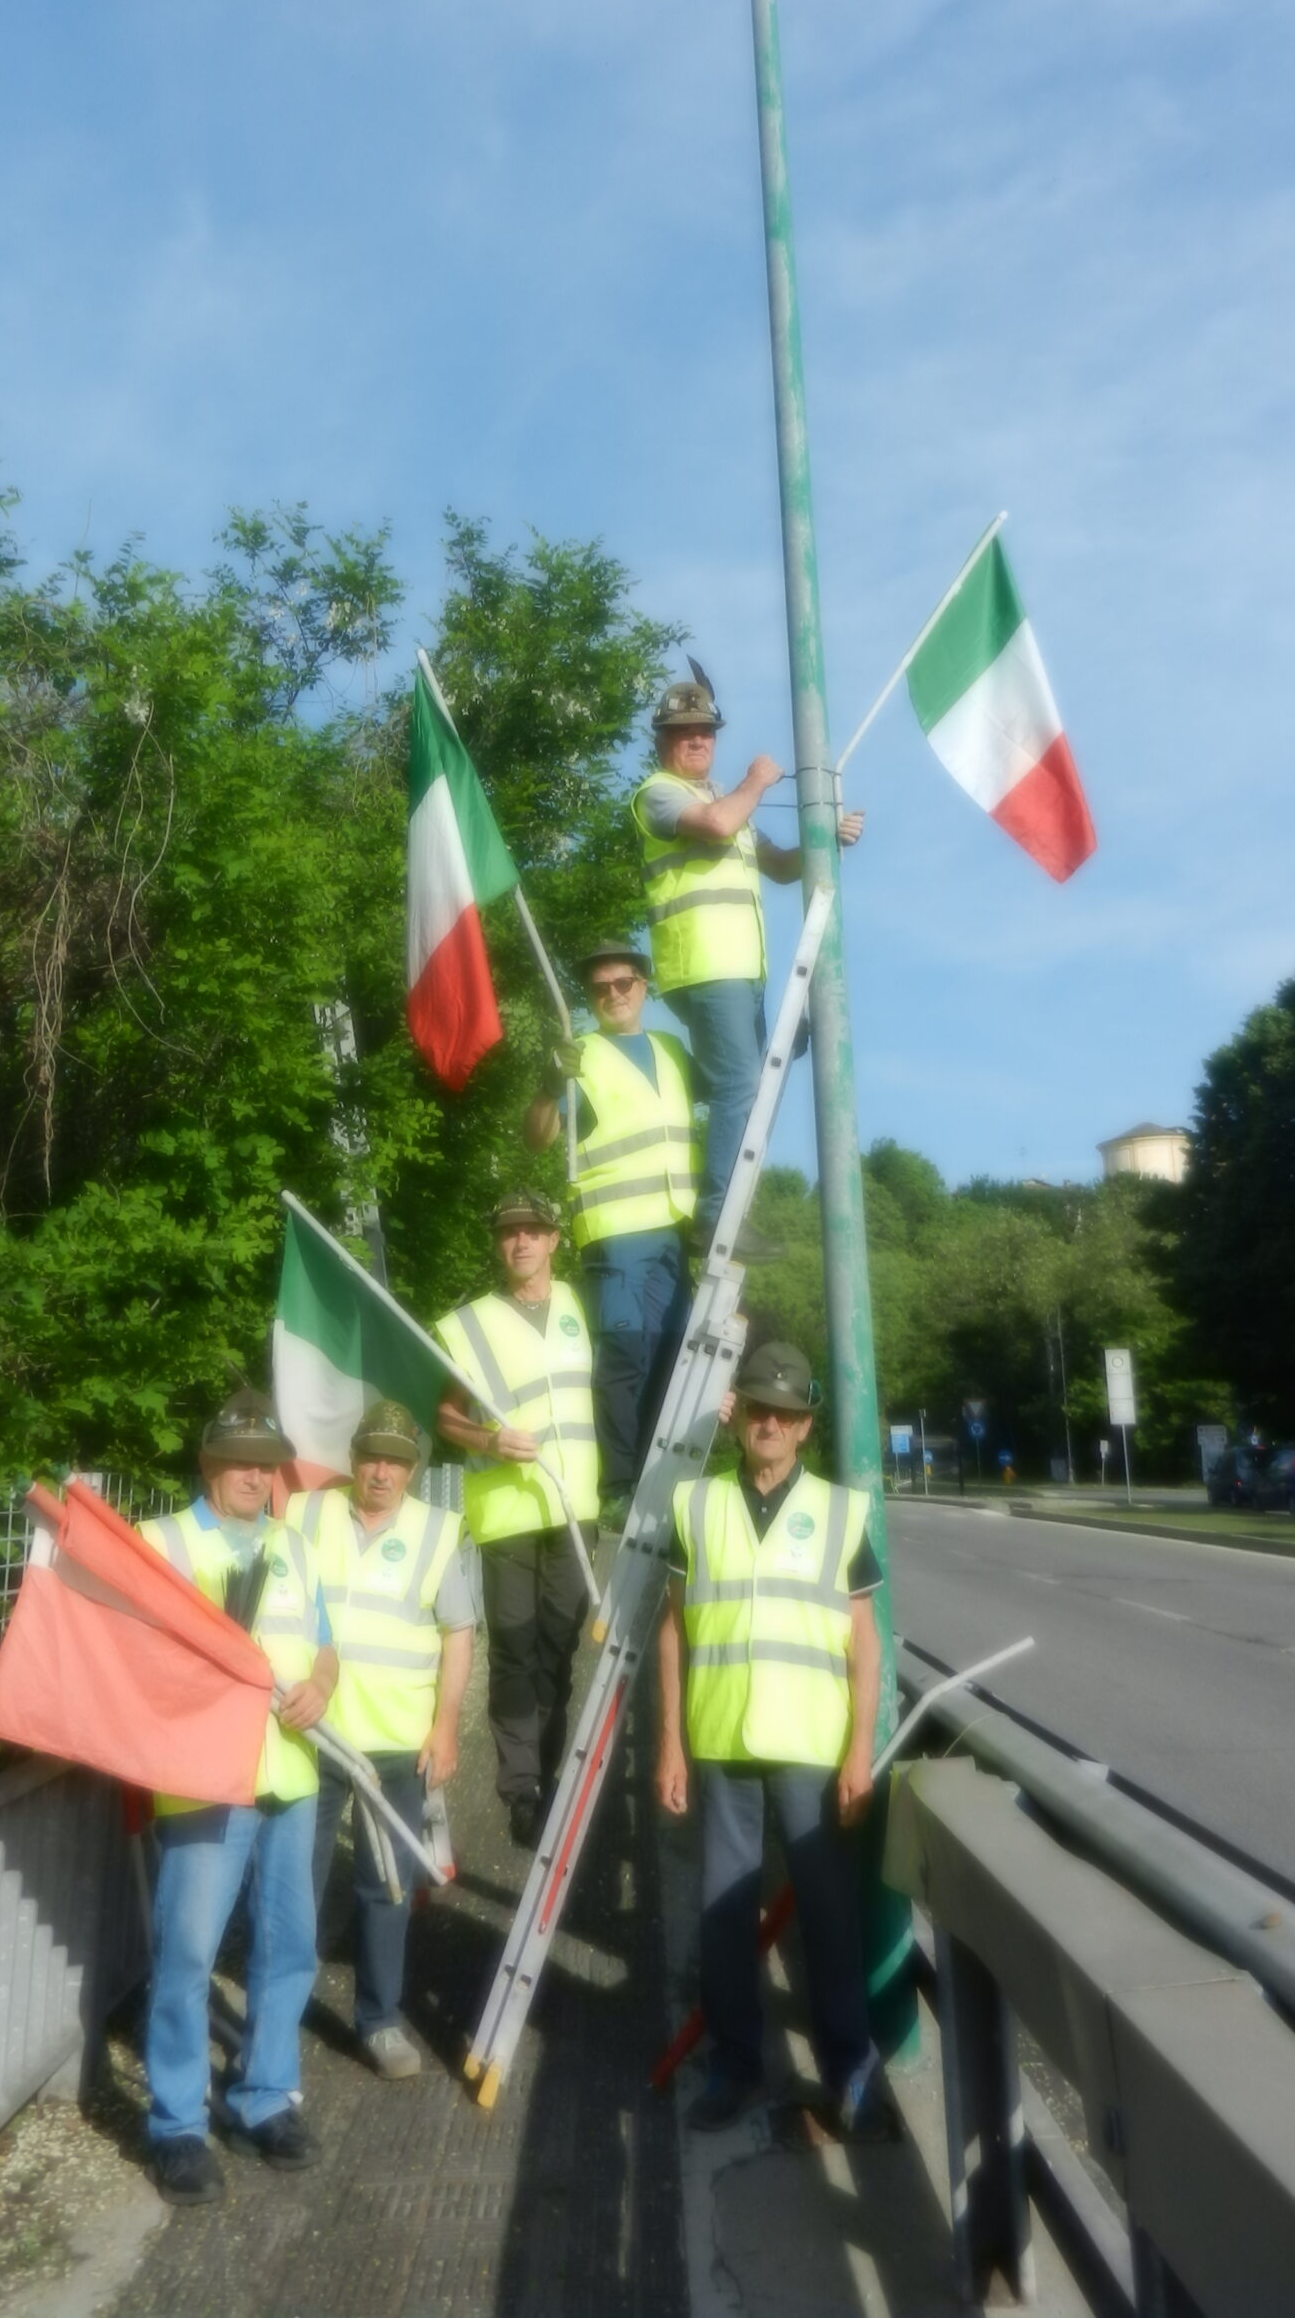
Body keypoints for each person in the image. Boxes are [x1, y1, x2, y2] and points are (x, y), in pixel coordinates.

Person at [654, 1341, 888, 2134]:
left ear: (805, 1427)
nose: (770, 1423)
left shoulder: (840, 1511)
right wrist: (670, 1745)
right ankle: (735, 2066)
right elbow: (674, 1630)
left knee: (828, 1916)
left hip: (814, 1749)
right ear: (739, 1418)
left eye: (786, 1413)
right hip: (720, 1740)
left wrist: (860, 1751)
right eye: (758, 1408)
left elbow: (865, 1640)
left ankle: (849, 2067)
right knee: (724, 1917)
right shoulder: (696, 1505)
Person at [138, 1391, 337, 2205]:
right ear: (207, 1464)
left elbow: (323, 1645)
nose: (256, 1475)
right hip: (203, 1780)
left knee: (288, 1949)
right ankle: (177, 2126)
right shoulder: (163, 1543)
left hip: (290, 1774)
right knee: (187, 1956)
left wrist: (321, 1687)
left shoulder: (294, 1546)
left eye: (267, 1462)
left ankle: (264, 2098)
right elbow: (136, 1660)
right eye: (240, 1461)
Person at [631, 669, 864, 1256]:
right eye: (684, 732)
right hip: (704, 966)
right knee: (741, 1082)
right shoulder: (660, 793)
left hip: (739, 968)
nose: (697, 740)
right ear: (662, 742)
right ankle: (715, 1217)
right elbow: (716, 826)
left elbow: (781, 866)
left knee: (749, 1078)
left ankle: (673, 1084)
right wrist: (756, 782)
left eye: (705, 732)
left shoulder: (723, 801)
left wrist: (826, 840)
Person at [287, 1400, 474, 2081]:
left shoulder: (439, 1532)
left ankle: (378, 2021)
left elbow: (459, 1632)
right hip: (312, 1735)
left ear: (413, 1469)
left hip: (398, 1743)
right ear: (354, 1459)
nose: (381, 1470)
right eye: (371, 1456)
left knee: (385, 1886)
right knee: (292, 1880)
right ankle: (279, 2012)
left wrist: (446, 1724)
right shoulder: (305, 1515)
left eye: (396, 1460)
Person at [434, 1191, 601, 1847]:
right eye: (509, 1234)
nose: (521, 1242)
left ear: (555, 1240)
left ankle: (548, 1769)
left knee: (557, 1653)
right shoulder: (467, 1324)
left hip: (574, 1507)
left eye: (533, 1231)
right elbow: (445, 1417)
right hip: (505, 1512)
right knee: (514, 1652)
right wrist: (488, 1442)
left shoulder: (581, 1311)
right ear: (498, 1245)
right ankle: (522, 1788)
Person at [523, 939, 696, 1499]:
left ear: (643, 986)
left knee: (671, 1356)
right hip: (615, 1234)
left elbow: (729, 1081)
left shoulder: (671, 1049)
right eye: (600, 989)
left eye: (624, 983)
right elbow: (537, 1137)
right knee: (623, 1358)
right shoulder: (582, 1057)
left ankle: (656, 1481)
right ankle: (619, 1487)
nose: (613, 995)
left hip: (676, 1228)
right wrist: (550, 1087)